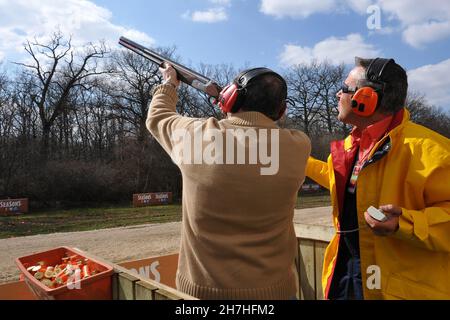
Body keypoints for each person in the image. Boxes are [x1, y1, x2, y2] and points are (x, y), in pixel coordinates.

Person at [146, 64, 311, 300]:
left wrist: (169, 84)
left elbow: (159, 116)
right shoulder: (299, 145)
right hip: (277, 292)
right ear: (282, 110)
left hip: (202, 294)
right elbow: (261, 136)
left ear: (230, 98)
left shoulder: (196, 136)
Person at [307, 57, 450, 300]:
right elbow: (338, 179)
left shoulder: (434, 151)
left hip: (399, 288)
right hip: (345, 276)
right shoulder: (352, 147)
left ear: (366, 99)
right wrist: (295, 159)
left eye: (344, 88)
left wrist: (404, 223)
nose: (337, 95)